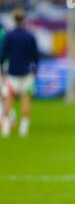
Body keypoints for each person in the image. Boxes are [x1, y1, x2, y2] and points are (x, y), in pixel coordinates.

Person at [0, 8, 39, 138]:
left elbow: (3, 55)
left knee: (8, 100)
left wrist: (2, 70)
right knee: (26, 99)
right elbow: (35, 57)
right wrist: (35, 71)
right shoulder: (29, 36)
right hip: (26, 73)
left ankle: (5, 128)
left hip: (12, 73)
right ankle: (24, 129)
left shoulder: (9, 36)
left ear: (13, 19)